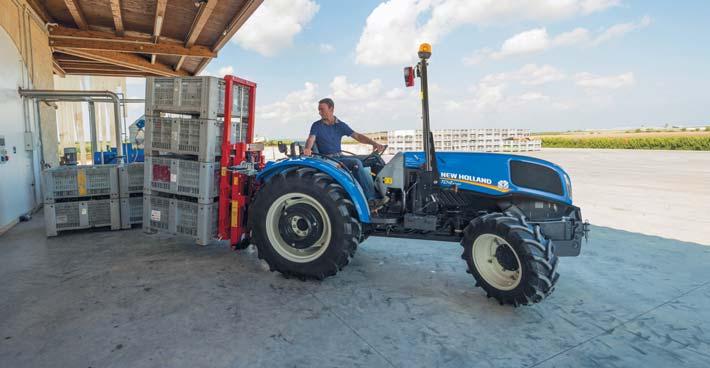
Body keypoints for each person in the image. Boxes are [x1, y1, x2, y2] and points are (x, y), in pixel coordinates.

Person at [304, 98, 387, 209]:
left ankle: (384, 194)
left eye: (322, 109)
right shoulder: (317, 125)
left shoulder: (340, 125)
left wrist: (374, 143)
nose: (319, 112)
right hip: (329, 160)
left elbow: (357, 136)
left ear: (331, 109)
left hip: (340, 157)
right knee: (355, 163)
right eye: (319, 110)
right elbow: (311, 139)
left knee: (375, 159)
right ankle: (371, 200)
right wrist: (307, 149)